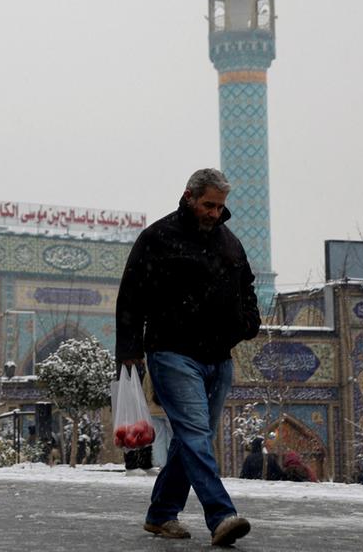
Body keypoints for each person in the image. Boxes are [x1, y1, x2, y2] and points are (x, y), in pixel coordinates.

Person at [116, 168, 262, 546]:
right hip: (173, 353)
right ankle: (222, 515)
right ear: (189, 197)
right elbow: (131, 295)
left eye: (220, 206)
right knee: (197, 435)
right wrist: (130, 352)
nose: (214, 213)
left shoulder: (228, 242)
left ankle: (161, 513)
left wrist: (248, 322)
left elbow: (246, 285)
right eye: (208, 205)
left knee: (193, 438)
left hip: (219, 356)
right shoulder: (159, 238)